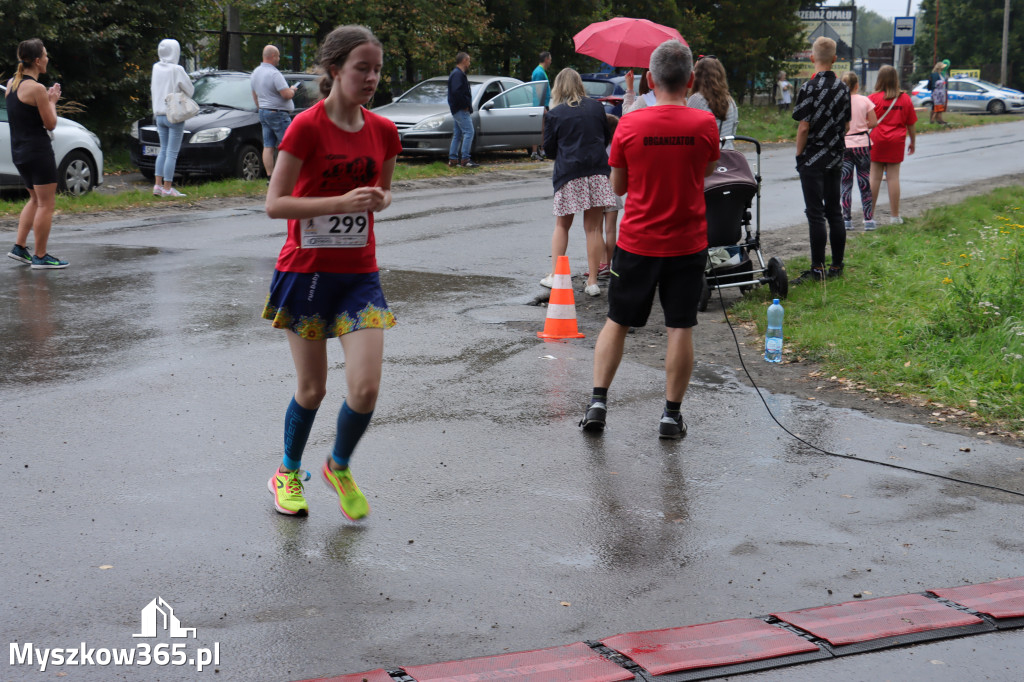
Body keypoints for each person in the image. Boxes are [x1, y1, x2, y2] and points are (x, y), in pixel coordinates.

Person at [262, 25, 401, 520]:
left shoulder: (384, 131)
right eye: (362, 68)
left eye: (377, 69)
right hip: (307, 272)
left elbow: (382, 196)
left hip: (359, 273)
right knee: (314, 389)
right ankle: (287, 472)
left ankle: (337, 466)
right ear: (335, 69)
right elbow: (275, 204)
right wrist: (341, 201)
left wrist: (376, 200)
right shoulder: (306, 126)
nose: (371, 78)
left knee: (364, 388)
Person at [580, 40, 719, 439]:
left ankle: (597, 404)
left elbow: (618, 188)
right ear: (690, 80)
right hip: (687, 243)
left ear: (648, 79)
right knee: (680, 326)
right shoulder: (704, 124)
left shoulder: (630, 125)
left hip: (638, 242)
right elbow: (707, 169)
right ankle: (671, 416)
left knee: (617, 321)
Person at [540, 68, 615, 298]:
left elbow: (550, 150)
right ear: (580, 85)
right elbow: (605, 137)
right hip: (597, 172)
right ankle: (592, 281)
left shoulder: (555, 114)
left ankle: (555, 276)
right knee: (593, 228)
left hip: (569, 174)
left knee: (562, 226)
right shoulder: (596, 108)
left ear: (559, 88)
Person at [791, 37, 851, 285]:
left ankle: (817, 269)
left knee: (815, 213)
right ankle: (836, 265)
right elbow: (846, 125)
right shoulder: (843, 88)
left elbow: (803, 126)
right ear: (835, 59)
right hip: (835, 156)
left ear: (812, 57)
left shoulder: (808, 88)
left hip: (813, 158)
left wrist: (799, 154)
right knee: (834, 211)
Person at [5, 39, 68, 269]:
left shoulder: (12, 84)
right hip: (38, 152)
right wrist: (52, 101)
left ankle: (19, 247)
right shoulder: (37, 89)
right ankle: (40, 256)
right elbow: (50, 124)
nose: (48, 59)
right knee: (46, 205)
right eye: (46, 55)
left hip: (19, 152)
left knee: (34, 199)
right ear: (38, 61)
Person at [868, 64, 917, 226]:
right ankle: (895, 216)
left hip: (877, 140)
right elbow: (911, 123)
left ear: (880, 79)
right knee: (893, 178)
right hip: (896, 141)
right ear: (896, 79)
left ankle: (870, 216)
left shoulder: (873, 99)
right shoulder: (905, 99)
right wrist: (913, 141)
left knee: (874, 177)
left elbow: (865, 122)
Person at [150, 38, 194, 198]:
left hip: (159, 114)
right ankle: (168, 188)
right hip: (174, 115)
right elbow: (190, 90)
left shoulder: (156, 68)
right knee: (172, 152)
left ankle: (157, 185)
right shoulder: (177, 69)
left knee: (162, 150)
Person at [251, 44, 298, 179]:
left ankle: (270, 176)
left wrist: (261, 108)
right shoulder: (274, 73)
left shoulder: (256, 73)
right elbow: (286, 95)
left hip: (264, 112)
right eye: (277, 56)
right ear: (272, 56)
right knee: (289, 144)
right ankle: (288, 175)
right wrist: (293, 90)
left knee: (268, 145)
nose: (278, 59)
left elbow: (255, 95)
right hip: (278, 113)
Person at [840, 71, 878, 231]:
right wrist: (863, 126)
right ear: (857, 85)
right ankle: (868, 219)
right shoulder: (865, 100)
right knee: (864, 181)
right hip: (862, 144)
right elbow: (874, 122)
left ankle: (846, 219)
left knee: (845, 183)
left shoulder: (840, 102)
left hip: (845, 145)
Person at [687, 56, 738, 149]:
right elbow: (732, 133)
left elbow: (688, 133)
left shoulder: (697, 100)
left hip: (706, 156)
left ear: (697, 76)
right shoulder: (731, 102)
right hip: (728, 155)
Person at [598, 113, 621, 279]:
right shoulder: (617, 146)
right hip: (613, 188)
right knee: (611, 230)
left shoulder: (598, 146)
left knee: (595, 230)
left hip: (599, 188)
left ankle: (600, 263)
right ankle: (610, 264)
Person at [447, 52, 478, 168]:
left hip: (456, 108)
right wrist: (465, 104)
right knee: (469, 132)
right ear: (464, 60)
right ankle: (465, 159)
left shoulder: (456, 74)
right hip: (460, 109)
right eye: (468, 60)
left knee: (458, 134)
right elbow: (456, 92)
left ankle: (453, 159)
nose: (469, 63)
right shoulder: (458, 75)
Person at [530, 51, 552, 161]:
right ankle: (538, 151)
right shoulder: (539, 72)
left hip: (541, 103)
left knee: (540, 128)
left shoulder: (540, 71)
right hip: (541, 104)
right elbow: (539, 90)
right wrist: (542, 106)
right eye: (550, 59)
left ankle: (539, 151)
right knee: (541, 128)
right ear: (546, 59)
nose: (551, 61)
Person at [927, 61, 948, 125]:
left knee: (939, 106)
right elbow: (934, 84)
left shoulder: (940, 74)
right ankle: (933, 119)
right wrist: (935, 92)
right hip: (937, 93)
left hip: (941, 92)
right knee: (936, 106)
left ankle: (939, 119)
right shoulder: (935, 74)